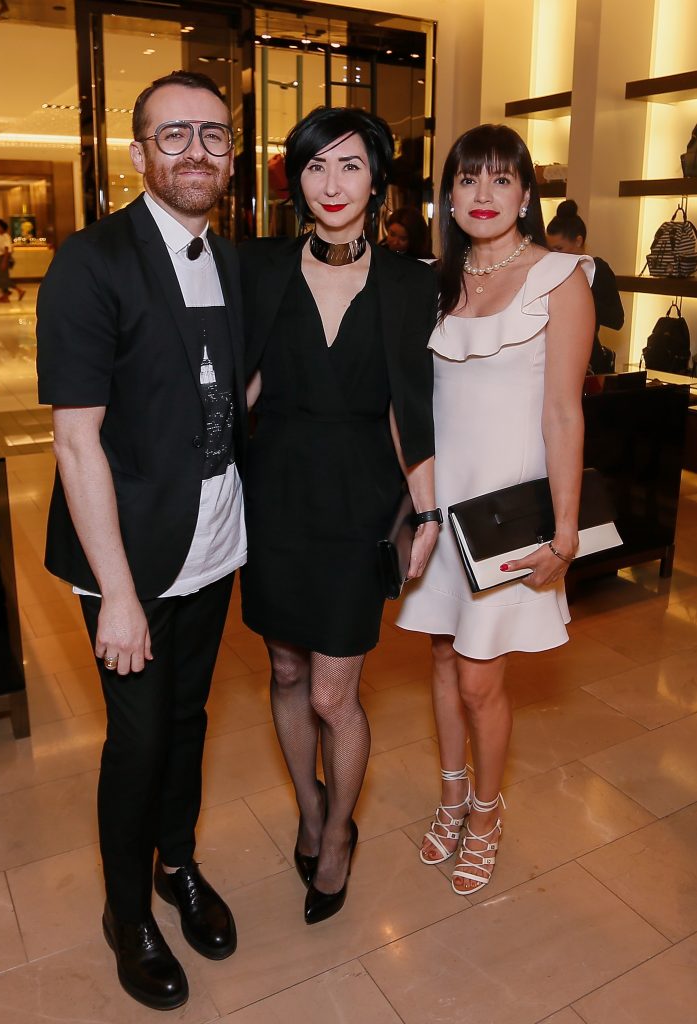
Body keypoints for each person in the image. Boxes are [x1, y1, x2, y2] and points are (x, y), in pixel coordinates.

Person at [36, 70, 246, 1010]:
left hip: (212, 545)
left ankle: (178, 865)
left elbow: (222, 394)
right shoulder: (93, 259)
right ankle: (129, 914)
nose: (195, 151)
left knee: (191, 721)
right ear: (137, 154)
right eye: (173, 135)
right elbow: (76, 439)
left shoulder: (233, 259)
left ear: (233, 153)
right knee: (137, 739)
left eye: (213, 134)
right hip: (126, 557)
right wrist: (117, 594)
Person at [240, 106, 439, 925]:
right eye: (316, 166)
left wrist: (424, 513)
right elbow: (239, 387)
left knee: (332, 692)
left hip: (358, 501)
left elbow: (409, 409)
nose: (332, 183)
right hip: (273, 493)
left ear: (376, 182)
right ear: (296, 181)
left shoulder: (409, 282)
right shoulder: (257, 269)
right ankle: (311, 807)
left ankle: (339, 838)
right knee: (284, 671)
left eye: (350, 166)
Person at [397, 124, 594, 894]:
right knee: (443, 658)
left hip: (509, 511)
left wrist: (566, 528)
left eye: (500, 180)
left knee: (481, 676)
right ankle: (450, 794)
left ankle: (486, 810)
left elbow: (563, 416)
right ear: (446, 194)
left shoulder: (560, 277)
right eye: (467, 180)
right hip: (441, 507)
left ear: (525, 194)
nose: (483, 195)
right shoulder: (429, 282)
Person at [546, 199, 624, 374]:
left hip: (587, 360)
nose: (553, 255)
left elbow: (616, 319)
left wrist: (581, 298)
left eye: (559, 248)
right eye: (550, 249)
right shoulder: (547, 270)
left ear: (578, 241)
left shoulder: (598, 270)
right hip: (549, 357)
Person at [0, 218, 24, 303]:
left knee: (2, 278)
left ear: (0, 226)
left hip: (3, 258)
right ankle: (6, 294)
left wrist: (4, 261)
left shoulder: (5, 237)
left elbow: (7, 250)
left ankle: (18, 290)